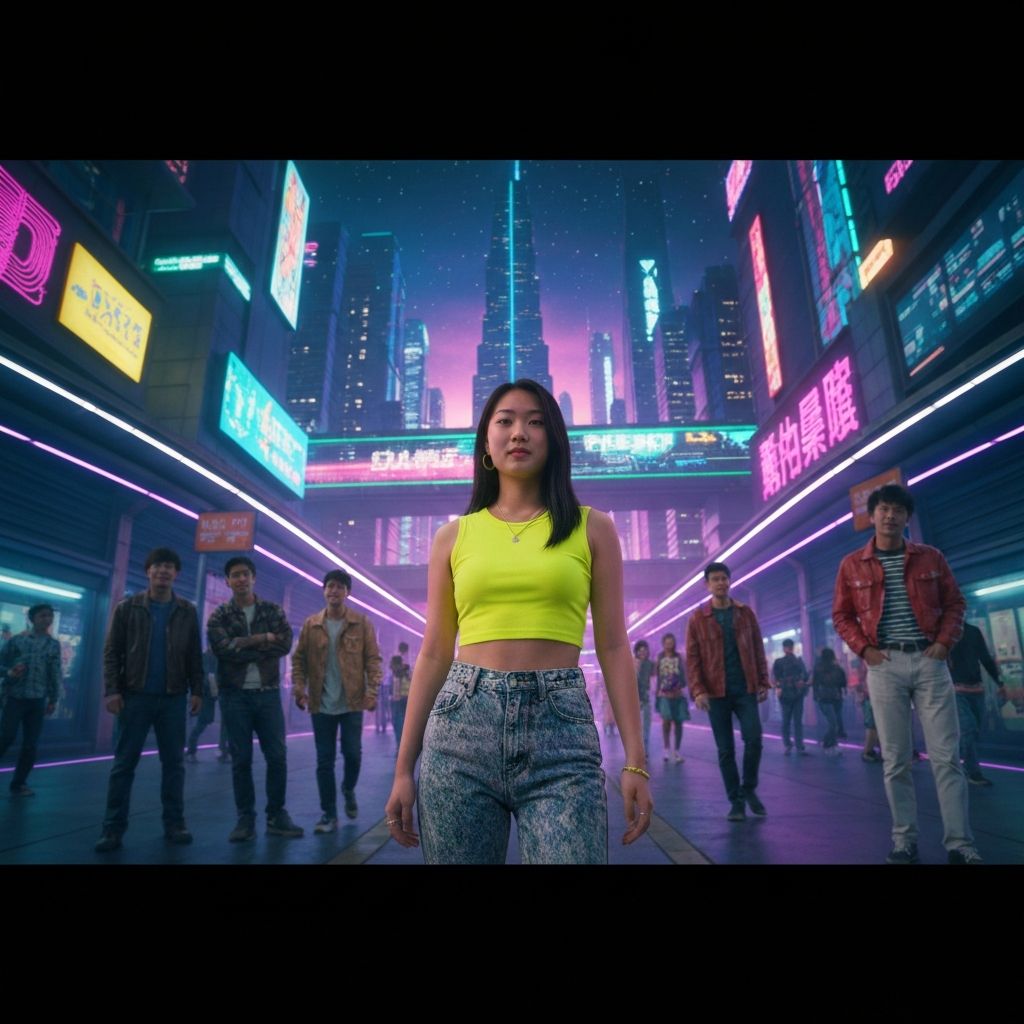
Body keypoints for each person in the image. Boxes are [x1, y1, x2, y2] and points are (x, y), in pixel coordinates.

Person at [384, 379, 652, 863]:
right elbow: (435, 652)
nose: (519, 432)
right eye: (504, 421)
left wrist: (636, 760)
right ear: (486, 442)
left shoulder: (593, 527)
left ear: (553, 440)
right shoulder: (452, 537)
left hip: (562, 732)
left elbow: (614, 646)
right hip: (460, 730)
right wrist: (405, 768)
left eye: (535, 421)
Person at [833, 483, 979, 864]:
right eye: (883, 508)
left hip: (929, 662)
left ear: (907, 517)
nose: (890, 515)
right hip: (885, 666)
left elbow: (954, 603)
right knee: (895, 758)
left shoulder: (931, 558)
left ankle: (960, 844)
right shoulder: (852, 564)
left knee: (946, 757)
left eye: (898, 509)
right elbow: (842, 615)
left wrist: (945, 644)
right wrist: (865, 650)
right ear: (872, 515)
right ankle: (904, 840)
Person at [95, 548, 203, 852]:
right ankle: (112, 829)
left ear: (176, 574)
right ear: (148, 571)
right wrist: (112, 690)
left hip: (172, 698)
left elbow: (194, 654)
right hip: (134, 696)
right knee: (123, 765)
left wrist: (198, 690)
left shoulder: (186, 611)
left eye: (169, 567)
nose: (163, 572)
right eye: (158, 566)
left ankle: (175, 823)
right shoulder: (127, 608)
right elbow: (111, 652)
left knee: (174, 765)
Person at [207, 556, 300, 841]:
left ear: (253, 578)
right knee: (241, 759)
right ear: (228, 581)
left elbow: (284, 644)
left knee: (277, 756)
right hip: (235, 696)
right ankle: (245, 819)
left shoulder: (272, 610)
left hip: (269, 694)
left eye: (245, 574)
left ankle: (276, 814)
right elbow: (221, 649)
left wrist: (241, 645)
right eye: (235, 575)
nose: (241, 579)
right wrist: (263, 639)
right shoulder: (219, 616)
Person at [292, 569, 382, 832]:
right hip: (321, 704)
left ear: (347, 593)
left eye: (340, 587)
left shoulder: (361, 623)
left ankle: (348, 788)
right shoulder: (311, 625)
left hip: (352, 702)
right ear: (323, 590)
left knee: (353, 755)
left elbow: (373, 659)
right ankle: (329, 814)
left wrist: (372, 691)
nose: (334, 591)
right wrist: (300, 688)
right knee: (324, 760)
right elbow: (298, 660)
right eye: (330, 586)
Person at [686, 561, 770, 822]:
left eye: (724, 578)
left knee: (754, 739)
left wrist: (764, 681)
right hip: (715, 692)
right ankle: (736, 801)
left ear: (730, 581)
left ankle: (749, 789)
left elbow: (757, 648)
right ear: (707, 585)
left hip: (745, 688)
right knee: (725, 750)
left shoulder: (746, 614)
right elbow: (693, 657)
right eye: (715, 579)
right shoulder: (698, 618)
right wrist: (698, 690)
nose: (721, 583)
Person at [0, 604, 61, 797]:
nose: (47, 619)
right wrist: (9, 672)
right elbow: (1, 663)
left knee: (30, 744)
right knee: (5, 737)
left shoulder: (53, 645)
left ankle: (19, 783)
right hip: (15, 697)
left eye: (50, 616)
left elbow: (55, 672)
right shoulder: (17, 641)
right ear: (32, 618)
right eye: (43, 615)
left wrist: (53, 698)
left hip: (38, 699)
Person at [949, 619, 1004, 786]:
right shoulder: (944, 633)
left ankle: (956, 763)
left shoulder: (973, 631)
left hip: (976, 689)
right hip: (955, 689)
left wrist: (1000, 682)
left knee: (975, 730)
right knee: (968, 728)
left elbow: (985, 658)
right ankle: (971, 771)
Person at [185, 649, 230, 762]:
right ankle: (192, 750)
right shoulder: (212, 656)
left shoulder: (211, 656)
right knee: (206, 721)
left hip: (213, 692)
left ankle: (222, 750)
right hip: (212, 692)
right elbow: (208, 676)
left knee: (214, 722)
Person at [773, 638, 810, 755]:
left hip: (789, 695)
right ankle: (796, 745)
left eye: (789, 647)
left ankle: (790, 745)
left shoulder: (782, 661)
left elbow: (775, 678)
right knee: (793, 721)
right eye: (788, 647)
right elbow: (805, 676)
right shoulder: (797, 661)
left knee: (788, 721)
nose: (789, 649)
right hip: (792, 694)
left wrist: (779, 687)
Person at [655, 633, 688, 763]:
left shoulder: (679, 657)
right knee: (666, 721)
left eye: (671, 643)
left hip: (678, 694)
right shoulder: (660, 657)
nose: (669, 645)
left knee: (679, 722)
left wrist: (682, 684)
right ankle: (666, 749)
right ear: (663, 644)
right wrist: (657, 692)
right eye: (667, 643)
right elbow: (657, 676)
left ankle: (677, 751)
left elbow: (684, 674)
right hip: (664, 695)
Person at [811, 647, 847, 756]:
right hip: (835, 697)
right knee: (835, 723)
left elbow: (815, 684)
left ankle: (832, 744)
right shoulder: (837, 668)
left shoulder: (817, 668)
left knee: (833, 723)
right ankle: (828, 743)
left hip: (824, 698)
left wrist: (816, 696)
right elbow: (843, 683)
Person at [634, 640, 654, 756]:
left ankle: (644, 751)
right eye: (640, 651)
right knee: (636, 728)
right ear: (636, 652)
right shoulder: (633, 663)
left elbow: (653, 681)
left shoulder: (650, 664)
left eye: (644, 651)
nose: (642, 653)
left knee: (646, 727)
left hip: (646, 700)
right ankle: (637, 751)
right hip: (635, 701)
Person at [390, 642, 412, 749]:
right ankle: (403, 743)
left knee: (398, 720)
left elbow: (395, 673)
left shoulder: (397, 659)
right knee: (403, 719)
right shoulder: (408, 660)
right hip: (406, 694)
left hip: (398, 695)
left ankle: (401, 743)